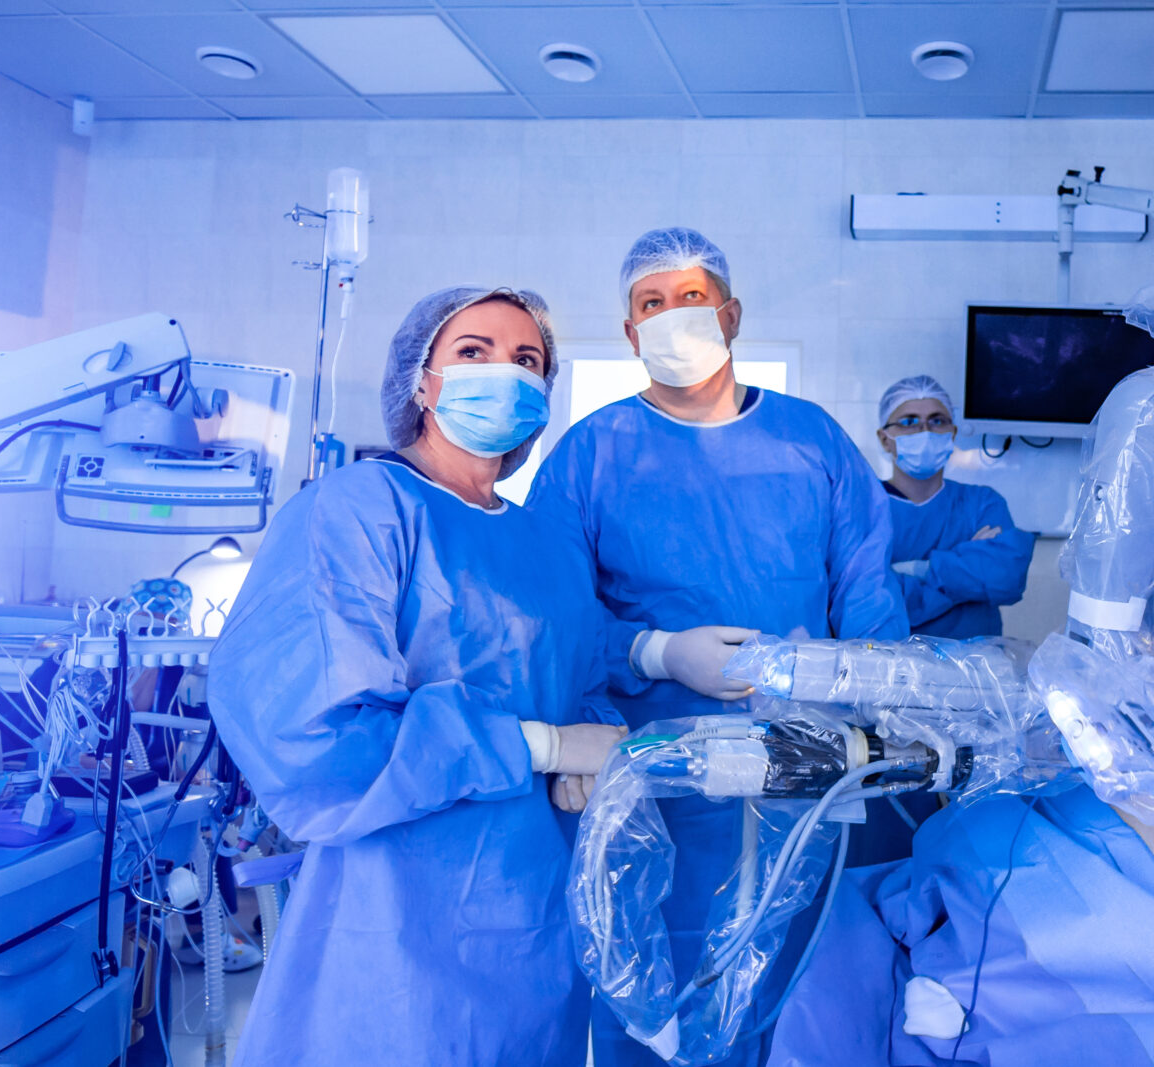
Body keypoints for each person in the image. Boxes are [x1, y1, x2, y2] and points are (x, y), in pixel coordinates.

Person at [211, 287, 626, 1066]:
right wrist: (542, 746)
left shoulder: (547, 546)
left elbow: (583, 675)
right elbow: (317, 734)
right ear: (421, 382)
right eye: (473, 351)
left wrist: (590, 748)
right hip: (393, 921)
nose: (504, 371)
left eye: (527, 359)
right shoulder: (358, 509)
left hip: (535, 925)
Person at [529, 227, 909, 1067]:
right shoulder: (589, 455)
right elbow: (554, 626)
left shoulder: (814, 443)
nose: (672, 315)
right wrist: (656, 652)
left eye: (691, 297)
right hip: (656, 787)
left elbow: (870, 601)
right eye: (651, 303)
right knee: (653, 1002)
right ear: (630, 332)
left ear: (731, 315)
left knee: (795, 998)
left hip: (803, 776)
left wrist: (862, 698)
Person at [874, 375, 1035, 639]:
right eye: (909, 422)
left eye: (938, 421)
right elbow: (868, 596)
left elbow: (1005, 577)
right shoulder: (864, 507)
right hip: (889, 658)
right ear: (884, 439)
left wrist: (913, 570)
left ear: (953, 434)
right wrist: (966, 565)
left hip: (975, 660)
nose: (925, 431)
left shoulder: (982, 502)